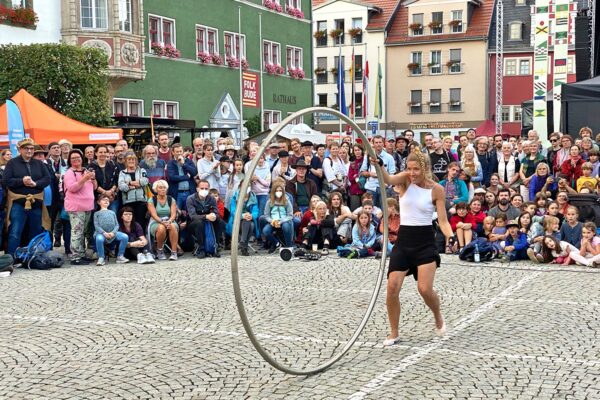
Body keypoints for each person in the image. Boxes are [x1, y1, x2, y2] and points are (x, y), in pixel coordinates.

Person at [372, 148, 453, 346]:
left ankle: (437, 316)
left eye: (416, 169)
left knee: (424, 289)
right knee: (392, 287)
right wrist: (379, 165)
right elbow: (389, 179)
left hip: (425, 242)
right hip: (404, 241)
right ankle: (394, 331)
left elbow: (442, 220)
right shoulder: (405, 180)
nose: (412, 172)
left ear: (425, 168)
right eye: (409, 168)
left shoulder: (437, 189)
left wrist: (451, 236)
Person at [3, 139, 52, 257]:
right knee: (15, 231)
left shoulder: (39, 164)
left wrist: (36, 184)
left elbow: (47, 179)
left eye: (31, 149)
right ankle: (11, 257)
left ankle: (33, 256)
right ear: (20, 150)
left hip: (35, 202)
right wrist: (22, 181)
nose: (29, 151)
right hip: (18, 202)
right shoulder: (12, 163)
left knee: (36, 230)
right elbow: (6, 180)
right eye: (26, 148)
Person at [63, 149, 97, 265]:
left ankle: (81, 254)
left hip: (88, 205)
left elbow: (95, 187)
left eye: (78, 157)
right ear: (69, 161)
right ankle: (75, 256)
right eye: (73, 158)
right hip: (76, 206)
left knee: (82, 231)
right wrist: (84, 179)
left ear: (82, 159)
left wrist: (92, 178)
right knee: (77, 231)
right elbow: (72, 188)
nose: (76, 159)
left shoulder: (86, 170)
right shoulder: (69, 173)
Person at [187, 180, 222, 258]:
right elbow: (192, 216)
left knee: (219, 221)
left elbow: (216, 212)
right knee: (199, 223)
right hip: (193, 223)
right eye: (202, 188)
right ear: (197, 189)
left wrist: (214, 215)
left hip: (208, 220)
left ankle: (216, 247)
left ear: (209, 189)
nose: (204, 190)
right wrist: (206, 216)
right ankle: (201, 249)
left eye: (206, 188)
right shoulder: (191, 198)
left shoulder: (212, 198)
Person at [360, 135, 396, 208]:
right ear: (373, 144)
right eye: (376, 142)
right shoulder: (367, 156)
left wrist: (387, 184)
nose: (378, 144)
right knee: (369, 211)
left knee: (385, 211)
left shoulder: (389, 157)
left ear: (383, 143)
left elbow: (392, 174)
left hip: (384, 188)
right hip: (371, 188)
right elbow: (362, 172)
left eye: (380, 142)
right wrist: (370, 174)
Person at [147, 180, 179, 261]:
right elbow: (153, 215)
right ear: (156, 189)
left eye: (164, 188)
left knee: (172, 226)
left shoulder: (171, 199)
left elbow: (173, 214)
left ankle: (174, 252)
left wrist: (169, 221)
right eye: (160, 188)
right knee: (161, 228)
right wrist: (162, 222)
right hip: (156, 221)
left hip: (170, 220)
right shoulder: (151, 200)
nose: (163, 189)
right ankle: (160, 250)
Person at [94, 194, 129, 265]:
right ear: (98, 202)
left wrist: (113, 232)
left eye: (107, 200)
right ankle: (101, 257)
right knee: (99, 239)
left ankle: (120, 256)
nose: (106, 201)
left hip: (113, 233)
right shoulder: (96, 213)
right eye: (104, 200)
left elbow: (116, 224)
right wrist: (104, 233)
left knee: (124, 236)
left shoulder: (112, 212)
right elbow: (96, 225)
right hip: (101, 233)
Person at [262, 183, 295, 252]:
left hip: (284, 220)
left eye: (280, 190)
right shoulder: (270, 201)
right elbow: (266, 215)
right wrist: (272, 221)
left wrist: (281, 221)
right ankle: (276, 243)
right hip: (273, 221)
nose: (278, 192)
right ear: (274, 192)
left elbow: (290, 215)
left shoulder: (286, 201)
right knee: (266, 231)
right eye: (277, 191)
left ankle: (288, 245)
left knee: (286, 226)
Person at [226, 186, 259, 256]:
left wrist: (251, 216)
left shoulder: (253, 197)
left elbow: (255, 211)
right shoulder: (235, 198)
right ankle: (244, 246)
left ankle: (242, 243)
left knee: (251, 224)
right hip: (236, 222)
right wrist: (242, 215)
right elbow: (233, 211)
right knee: (249, 224)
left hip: (249, 220)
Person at [167, 143, 197, 211]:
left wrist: (184, 164)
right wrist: (186, 177)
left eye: (180, 151)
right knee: (176, 212)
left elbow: (194, 172)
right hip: (177, 193)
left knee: (189, 212)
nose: (179, 153)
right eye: (177, 152)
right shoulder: (171, 163)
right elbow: (172, 177)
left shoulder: (188, 161)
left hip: (189, 192)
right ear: (173, 152)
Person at [90, 144, 119, 213]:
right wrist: (105, 192)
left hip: (111, 197)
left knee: (112, 214)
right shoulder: (91, 167)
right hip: (96, 197)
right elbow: (91, 183)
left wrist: (111, 191)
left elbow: (116, 180)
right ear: (96, 153)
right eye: (100, 152)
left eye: (105, 152)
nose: (103, 154)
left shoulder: (113, 165)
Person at [347, 143, 365, 211]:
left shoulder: (366, 161)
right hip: (355, 191)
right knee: (355, 210)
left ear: (362, 151)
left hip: (365, 190)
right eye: (355, 150)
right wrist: (358, 176)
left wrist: (356, 176)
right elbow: (351, 178)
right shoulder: (353, 163)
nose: (357, 152)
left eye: (359, 150)